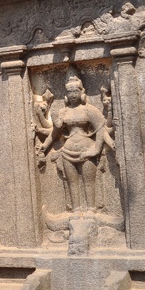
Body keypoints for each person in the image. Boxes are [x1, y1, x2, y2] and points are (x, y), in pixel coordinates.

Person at [39, 73, 114, 213]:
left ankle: (91, 210)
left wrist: (96, 149)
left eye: (75, 91)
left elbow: (100, 129)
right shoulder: (63, 112)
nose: (72, 94)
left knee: (89, 182)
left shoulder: (89, 110)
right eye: (69, 92)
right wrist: (44, 146)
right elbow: (54, 133)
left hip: (87, 150)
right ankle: (76, 211)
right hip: (68, 152)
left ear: (82, 92)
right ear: (66, 95)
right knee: (72, 183)